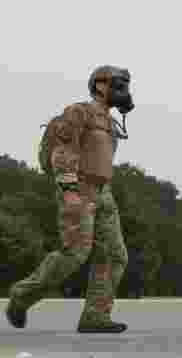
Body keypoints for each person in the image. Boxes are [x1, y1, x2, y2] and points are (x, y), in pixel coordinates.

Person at [6, 65, 134, 333]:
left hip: (104, 193)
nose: (124, 91)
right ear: (99, 86)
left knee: (114, 255)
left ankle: (95, 317)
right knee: (75, 254)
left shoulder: (109, 122)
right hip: (79, 189)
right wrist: (69, 191)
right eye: (118, 85)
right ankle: (22, 295)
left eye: (125, 86)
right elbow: (62, 153)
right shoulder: (78, 112)